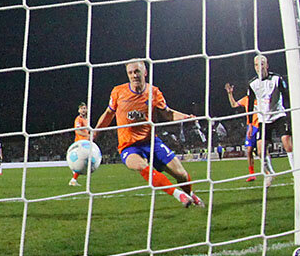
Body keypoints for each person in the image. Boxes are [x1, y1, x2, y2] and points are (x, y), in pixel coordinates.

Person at [93, 60, 203, 208]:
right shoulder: (118, 92)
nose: (134, 75)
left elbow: (168, 114)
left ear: (144, 72)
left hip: (151, 142)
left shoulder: (153, 92)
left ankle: (191, 195)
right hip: (128, 146)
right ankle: (179, 195)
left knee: (181, 174)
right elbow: (108, 114)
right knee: (142, 166)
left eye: (137, 71)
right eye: (130, 72)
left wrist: (185, 117)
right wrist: (96, 132)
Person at [247, 55, 293, 187]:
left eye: (262, 64)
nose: (259, 67)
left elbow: (287, 96)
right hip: (263, 119)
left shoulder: (277, 79)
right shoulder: (252, 84)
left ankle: (296, 173)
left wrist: (290, 114)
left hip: (278, 115)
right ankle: (269, 173)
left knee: (286, 142)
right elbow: (250, 105)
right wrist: (250, 124)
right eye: (256, 65)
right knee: (260, 150)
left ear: (267, 65)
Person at [225, 83, 266, 182]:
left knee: (261, 151)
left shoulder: (261, 99)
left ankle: (267, 171)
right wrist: (230, 94)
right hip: (251, 127)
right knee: (249, 151)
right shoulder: (246, 99)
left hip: (260, 125)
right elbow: (234, 105)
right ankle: (252, 174)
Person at [70, 102, 90, 186]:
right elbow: (77, 131)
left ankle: (74, 179)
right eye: (82, 108)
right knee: (83, 162)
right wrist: (87, 135)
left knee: (85, 162)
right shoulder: (78, 119)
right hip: (80, 143)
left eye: (85, 108)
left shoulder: (86, 119)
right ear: (79, 110)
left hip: (85, 143)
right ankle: (74, 176)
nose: (83, 110)